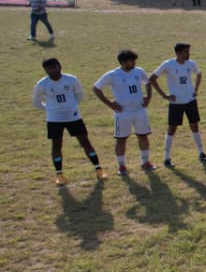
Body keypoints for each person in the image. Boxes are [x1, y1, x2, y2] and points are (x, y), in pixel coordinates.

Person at [35, 57, 106, 185]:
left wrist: (71, 108)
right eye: (49, 69)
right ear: (45, 70)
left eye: (54, 68)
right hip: (54, 120)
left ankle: (98, 168)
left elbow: (79, 96)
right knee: (56, 145)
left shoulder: (71, 79)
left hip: (73, 117)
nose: (52, 71)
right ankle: (59, 174)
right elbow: (37, 102)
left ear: (59, 66)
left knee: (85, 142)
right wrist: (51, 110)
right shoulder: (42, 84)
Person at [93, 49, 155, 174]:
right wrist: (110, 104)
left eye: (134, 60)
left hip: (139, 111)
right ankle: (121, 166)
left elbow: (147, 83)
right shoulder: (113, 75)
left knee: (143, 136)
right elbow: (96, 88)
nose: (134, 63)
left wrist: (148, 97)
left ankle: (145, 162)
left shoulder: (139, 71)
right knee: (121, 139)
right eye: (131, 61)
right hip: (123, 113)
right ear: (123, 62)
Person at [150, 42, 206, 166]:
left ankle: (201, 152)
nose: (188, 54)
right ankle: (166, 158)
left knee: (195, 125)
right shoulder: (168, 64)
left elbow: (199, 74)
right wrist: (164, 95)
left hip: (190, 100)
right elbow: (152, 78)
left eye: (188, 51)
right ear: (178, 53)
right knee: (172, 128)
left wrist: (196, 90)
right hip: (176, 102)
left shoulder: (191, 64)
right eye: (186, 52)